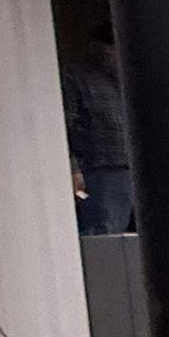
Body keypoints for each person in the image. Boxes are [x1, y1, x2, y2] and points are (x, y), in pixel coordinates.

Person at [63, 33, 134, 235]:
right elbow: (65, 128)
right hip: (98, 173)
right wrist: (73, 168)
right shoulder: (77, 78)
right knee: (104, 234)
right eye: (108, 49)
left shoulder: (126, 80)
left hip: (132, 170)